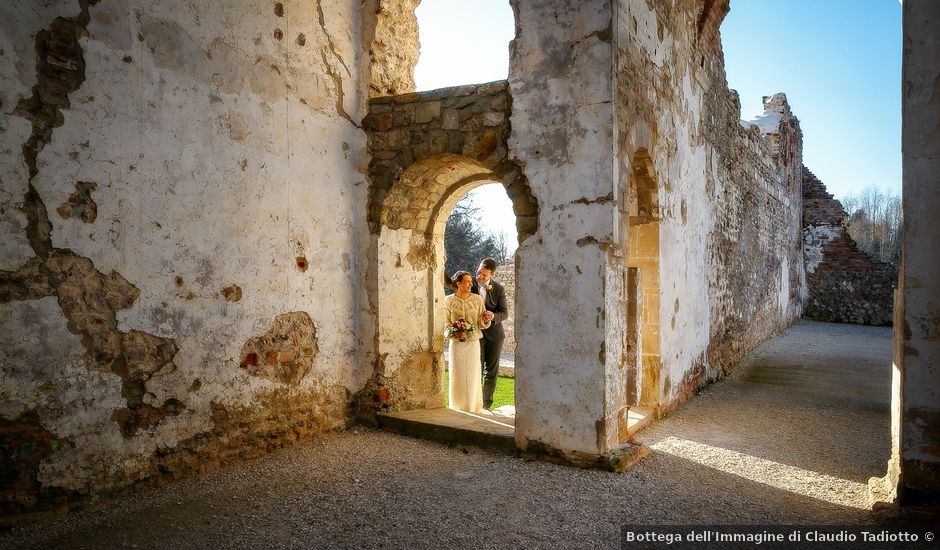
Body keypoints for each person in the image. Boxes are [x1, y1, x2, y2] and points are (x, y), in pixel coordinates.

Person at [443, 271, 491, 413]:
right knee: (458, 375)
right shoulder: (448, 300)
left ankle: (472, 406)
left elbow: (481, 323)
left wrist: (486, 319)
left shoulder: (477, 300)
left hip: (472, 343)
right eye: (467, 281)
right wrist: (453, 333)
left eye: (471, 281)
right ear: (458, 283)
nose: (471, 284)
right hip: (456, 344)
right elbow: (445, 323)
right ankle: (457, 406)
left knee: (472, 374)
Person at [471, 258, 508, 411]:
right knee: (476, 369)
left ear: (491, 275)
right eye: (479, 272)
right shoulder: (470, 284)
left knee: (491, 371)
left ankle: (486, 405)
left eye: (484, 275)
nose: (480, 276)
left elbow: (504, 313)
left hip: (495, 335)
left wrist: (493, 316)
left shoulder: (498, 289)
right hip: (476, 334)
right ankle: (474, 403)